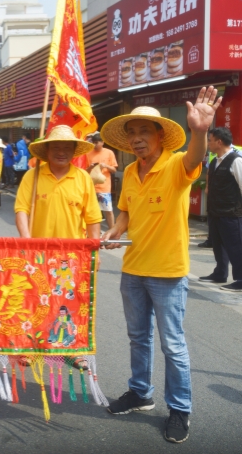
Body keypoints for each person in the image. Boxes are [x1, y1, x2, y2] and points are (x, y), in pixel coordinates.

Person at [101, 87, 222, 444]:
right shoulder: (130, 171)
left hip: (168, 273)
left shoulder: (177, 165)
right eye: (132, 133)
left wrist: (200, 131)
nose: (137, 139)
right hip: (133, 268)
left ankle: (180, 409)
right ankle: (140, 393)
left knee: (172, 343)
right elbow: (126, 211)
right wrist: (115, 229)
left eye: (144, 132)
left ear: (159, 136)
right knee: (138, 337)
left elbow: (195, 157)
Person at [14, 125, 100, 239]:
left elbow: (92, 217)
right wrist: (26, 239)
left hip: (72, 251)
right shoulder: (32, 176)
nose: (61, 153)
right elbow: (21, 209)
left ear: (74, 151)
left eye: (67, 148)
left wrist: (94, 252)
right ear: (47, 150)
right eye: (55, 148)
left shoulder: (83, 177)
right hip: (40, 250)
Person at [198, 127, 242, 290]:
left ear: (219, 141)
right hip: (216, 211)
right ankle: (220, 273)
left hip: (232, 213)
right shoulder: (215, 160)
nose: (208, 143)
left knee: (236, 246)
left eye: (209, 140)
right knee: (218, 245)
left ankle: (241, 279)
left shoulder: (236, 160)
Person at [86, 132, 118, 230]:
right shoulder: (88, 153)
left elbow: (114, 170)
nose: (95, 145)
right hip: (91, 187)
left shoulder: (109, 153)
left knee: (108, 210)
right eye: (93, 143)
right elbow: (84, 171)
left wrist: (106, 166)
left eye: (97, 143)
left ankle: (112, 231)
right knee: (92, 211)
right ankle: (94, 233)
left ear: (102, 142)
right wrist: (90, 167)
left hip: (104, 187)